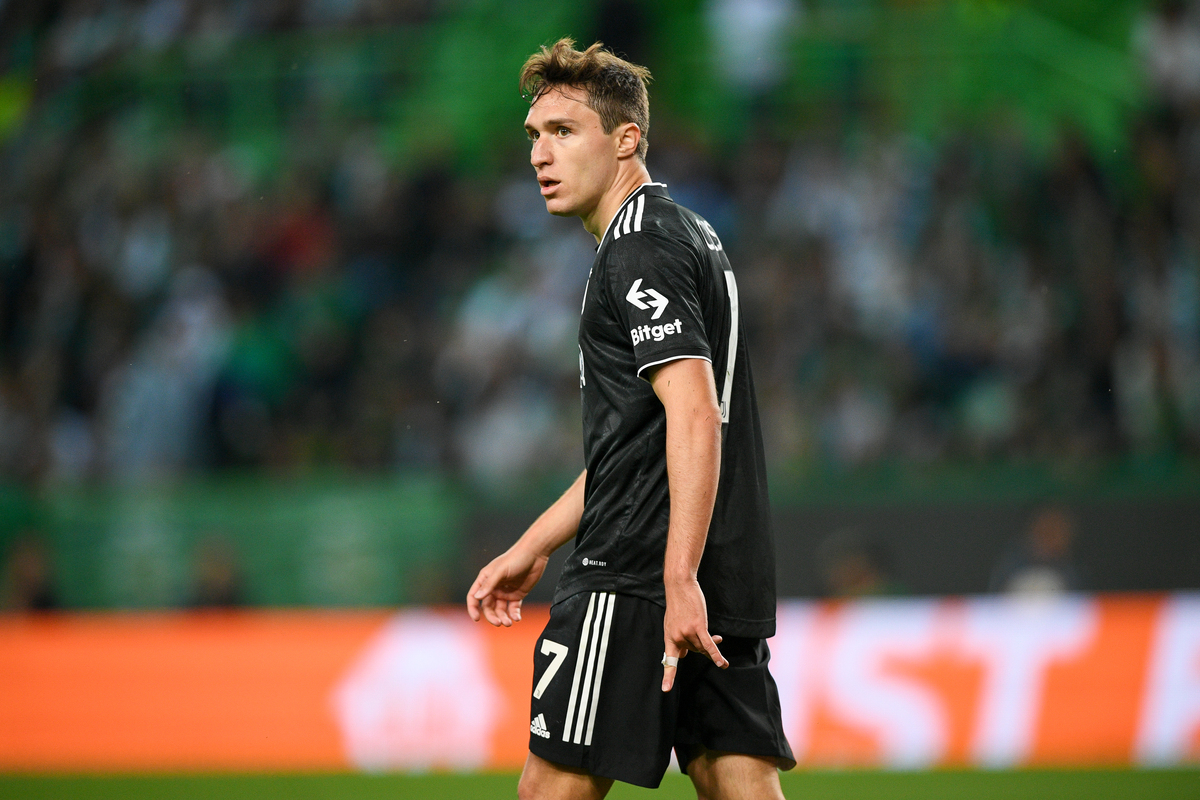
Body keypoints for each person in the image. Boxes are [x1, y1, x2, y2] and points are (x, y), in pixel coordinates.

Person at [466, 39, 793, 798]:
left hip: (637, 576)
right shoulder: (689, 233)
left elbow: (694, 412)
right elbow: (640, 444)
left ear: (625, 140)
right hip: (720, 571)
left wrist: (676, 576)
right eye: (534, 135)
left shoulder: (637, 248)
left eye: (564, 132)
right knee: (739, 784)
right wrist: (535, 543)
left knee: (549, 791)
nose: (540, 155)